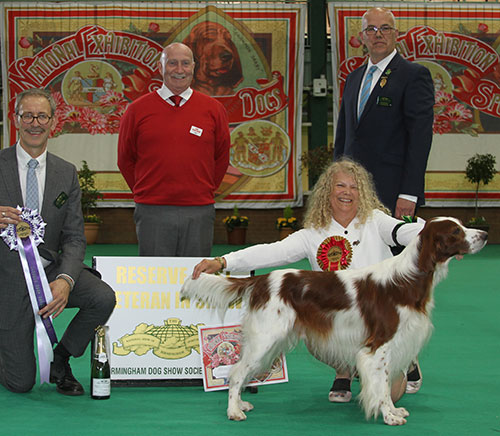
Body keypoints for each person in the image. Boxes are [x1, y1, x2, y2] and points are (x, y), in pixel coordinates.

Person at [191, 158, 425, 404]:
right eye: (340, 186)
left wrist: (438, 237)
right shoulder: (313, 233)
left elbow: (403, 232)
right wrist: (224, 261)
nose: (347, 192)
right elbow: (272, 251)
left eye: (354, 187)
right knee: (315, 328)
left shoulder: (376, 221)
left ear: (362, 193)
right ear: (327, 191)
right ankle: (344, 371)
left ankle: (406, 359)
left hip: (380, 320)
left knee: (393, 395)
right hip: (339, 320)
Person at [0, 88, 116, 396]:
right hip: (7, 280)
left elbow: (75, 237)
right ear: (16, 119)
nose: (34, 123)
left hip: (49, 272)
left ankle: (62, 359)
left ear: (53, 121)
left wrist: (65, 280)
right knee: (19, 383)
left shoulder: (66, 173)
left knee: (102, 297)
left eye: (42, 116)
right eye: (27, 115)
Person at [118, 42, 231, 257]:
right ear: (160, 68)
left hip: (199, 210)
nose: (179, 70)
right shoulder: (136, 110)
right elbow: (125, 159)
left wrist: (200, 189)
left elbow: (222, 157)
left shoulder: (214, 109)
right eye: (172, 63)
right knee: (155, 280)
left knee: (196, 282)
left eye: (185, 63)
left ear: (194, 68)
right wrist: (149, 191)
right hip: (152, 211)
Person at [333, 7, 435, 220]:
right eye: (371, 29)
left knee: (392, 253)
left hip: (393, 193)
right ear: (362, 37)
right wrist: (336, 184)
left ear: (396, 34)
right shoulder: (352, 79)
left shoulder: (414, 76)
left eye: (385, 28)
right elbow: (343, 137)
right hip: (350, 193)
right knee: (353, 253)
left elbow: (420, 139)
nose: (378, 34)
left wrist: (410, 192)